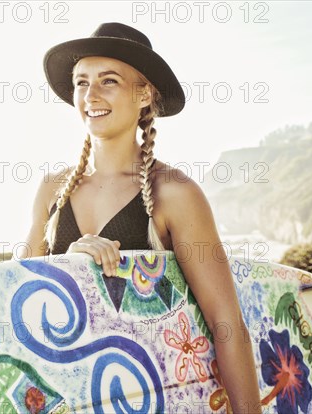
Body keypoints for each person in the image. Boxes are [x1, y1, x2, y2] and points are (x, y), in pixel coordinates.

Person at [21, 23, 262, 413]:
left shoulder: (175, 194)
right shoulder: (52, 190)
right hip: (68, 401)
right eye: (81, 82)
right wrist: (72, 262)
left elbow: (226, 322)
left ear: (144, 94)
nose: (90, 95)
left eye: (109, 81)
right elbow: (21, 298)